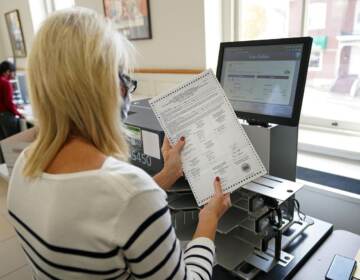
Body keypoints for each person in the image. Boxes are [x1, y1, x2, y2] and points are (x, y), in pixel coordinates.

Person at [7, 8, 231, 280]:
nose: (128, 93)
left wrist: (169, 173)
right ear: (106, 89)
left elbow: (102, 213)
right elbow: (125, 204)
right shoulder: (130, 193)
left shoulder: (23, 165)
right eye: (126, 80)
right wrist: (209, 219)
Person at [0, 60, 22, 139]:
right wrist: (19, 114)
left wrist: (15, 106)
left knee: (3, 142)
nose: (13, 75)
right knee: (12, 141)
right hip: (5, 115)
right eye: (13, 72)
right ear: (7, 71)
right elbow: (8, 103)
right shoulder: (5, 83)